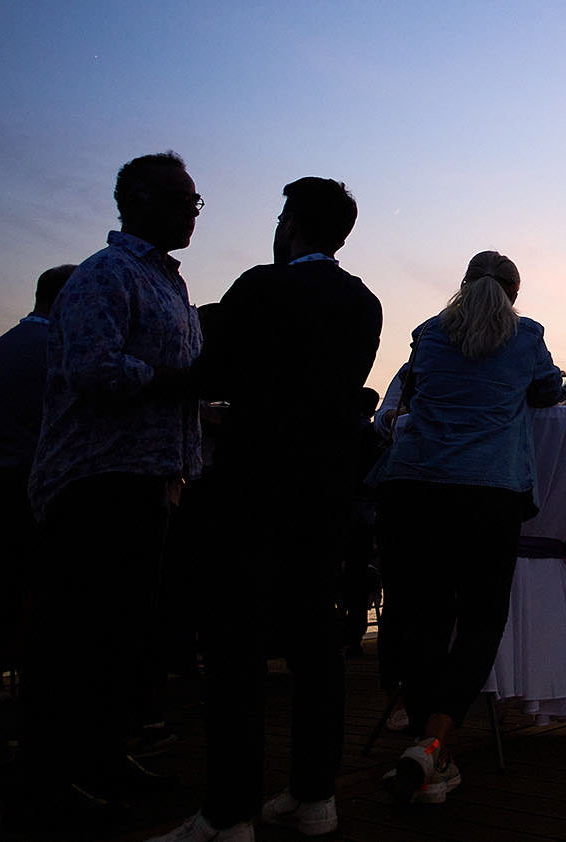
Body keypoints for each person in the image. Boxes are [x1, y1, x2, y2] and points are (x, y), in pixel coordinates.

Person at [154, 177, 382, 842]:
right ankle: (315, 794)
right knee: (315, 636)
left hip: (253, 481)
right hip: (326, 489)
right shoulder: (364, 302)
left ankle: (229, 811)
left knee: (237, 642)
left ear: (293, 225)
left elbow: (214, 371)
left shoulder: (262, 285)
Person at [21, 153, 202, 827]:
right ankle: (45, 783)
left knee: (121, 637)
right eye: (183, 200)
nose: (192, 213)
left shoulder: (167, 284)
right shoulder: (106, 276)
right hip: (96, 482)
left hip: (147, 480)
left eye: (195, 202)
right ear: (141, 200)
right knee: (75, 638)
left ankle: (102, 757)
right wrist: (178, 382)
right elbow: (93, 367)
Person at [376, 251, 562, 803]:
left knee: (423, 619)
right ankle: (433, 744)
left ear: (463, 284)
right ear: (513, 294)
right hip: (488, 489)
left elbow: (414, 392)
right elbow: (548, 392)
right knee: (481, 620)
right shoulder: (526, 336)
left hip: (415, 484)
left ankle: (427, 745)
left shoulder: (429, 332)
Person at [0, 264, 74, 755]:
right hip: (34, 490)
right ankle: (41, 732)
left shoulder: (3, 347)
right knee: (41, 612)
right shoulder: (54, 349)